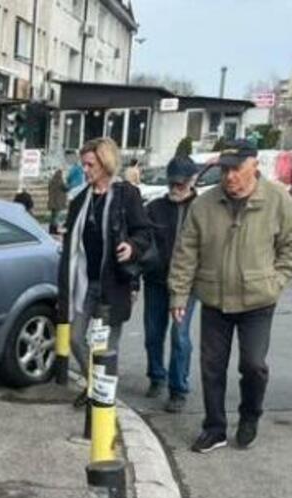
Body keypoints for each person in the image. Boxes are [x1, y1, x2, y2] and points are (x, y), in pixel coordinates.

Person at [168, 140, 292, 452]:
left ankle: (250, 415)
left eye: (236, 168)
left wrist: (276, 281)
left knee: (253, 365)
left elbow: (289, 246)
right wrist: (179, 295)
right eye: (225, 169)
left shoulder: (278, 199)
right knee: (211, 366)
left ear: (254, 167)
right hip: (214, 298)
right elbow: (186, 252)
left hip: (257, 300)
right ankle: (215, 428)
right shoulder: (204, 204)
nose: (229, 176)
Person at [58, 137, 153, 408]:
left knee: (106, 348)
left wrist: (132, 247)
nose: (85, 170)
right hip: (85, 284)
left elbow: (144, 232)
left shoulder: (126, 195)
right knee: (76, 338)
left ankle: (101, 398)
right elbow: (72, 246)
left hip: (114, 284)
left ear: (105, 162)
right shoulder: (80, 200)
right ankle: (95, 385)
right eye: (83, 164)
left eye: (90, 164)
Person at [142, 156, 199, 412]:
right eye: (172, 183)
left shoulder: (201, 208)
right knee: (153, 333)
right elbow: (142, 241)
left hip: (186, 285)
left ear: (192, 181)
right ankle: (156, 375)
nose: (175, 189)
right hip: (156, 280)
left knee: (180, 336)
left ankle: (178, 389)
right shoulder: (154, 207)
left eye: (180, 184)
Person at [48, 168, 68, 234]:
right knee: (56, 217)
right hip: (58, 202)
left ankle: (51, 229)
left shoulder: (51, 181)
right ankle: (54, 230)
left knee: (53, 216)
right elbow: (66, 188)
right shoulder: (60, 181)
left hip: (52, 202)